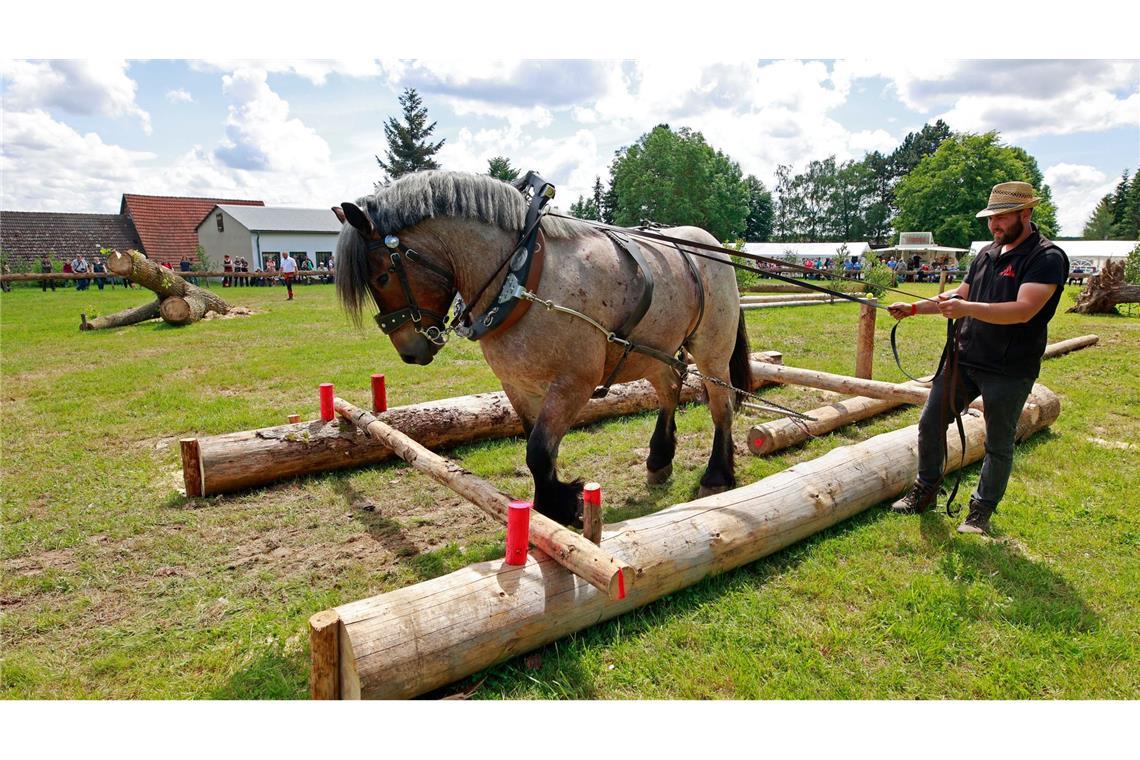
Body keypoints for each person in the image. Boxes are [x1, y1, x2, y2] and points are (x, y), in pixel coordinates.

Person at [887, 181, 1068, 535]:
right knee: (929, 422)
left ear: (1026, 213)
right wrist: (914, 308)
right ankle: (926, 490)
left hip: (1009, 367)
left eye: (1002, 218)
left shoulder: (1046, 258)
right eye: (992, 219)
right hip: (965, 358)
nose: (995, 226)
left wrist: (966, 308)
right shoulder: (987, 253)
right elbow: (961, 294)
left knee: (998, 442)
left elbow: (1023, 310)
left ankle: (980, 511)